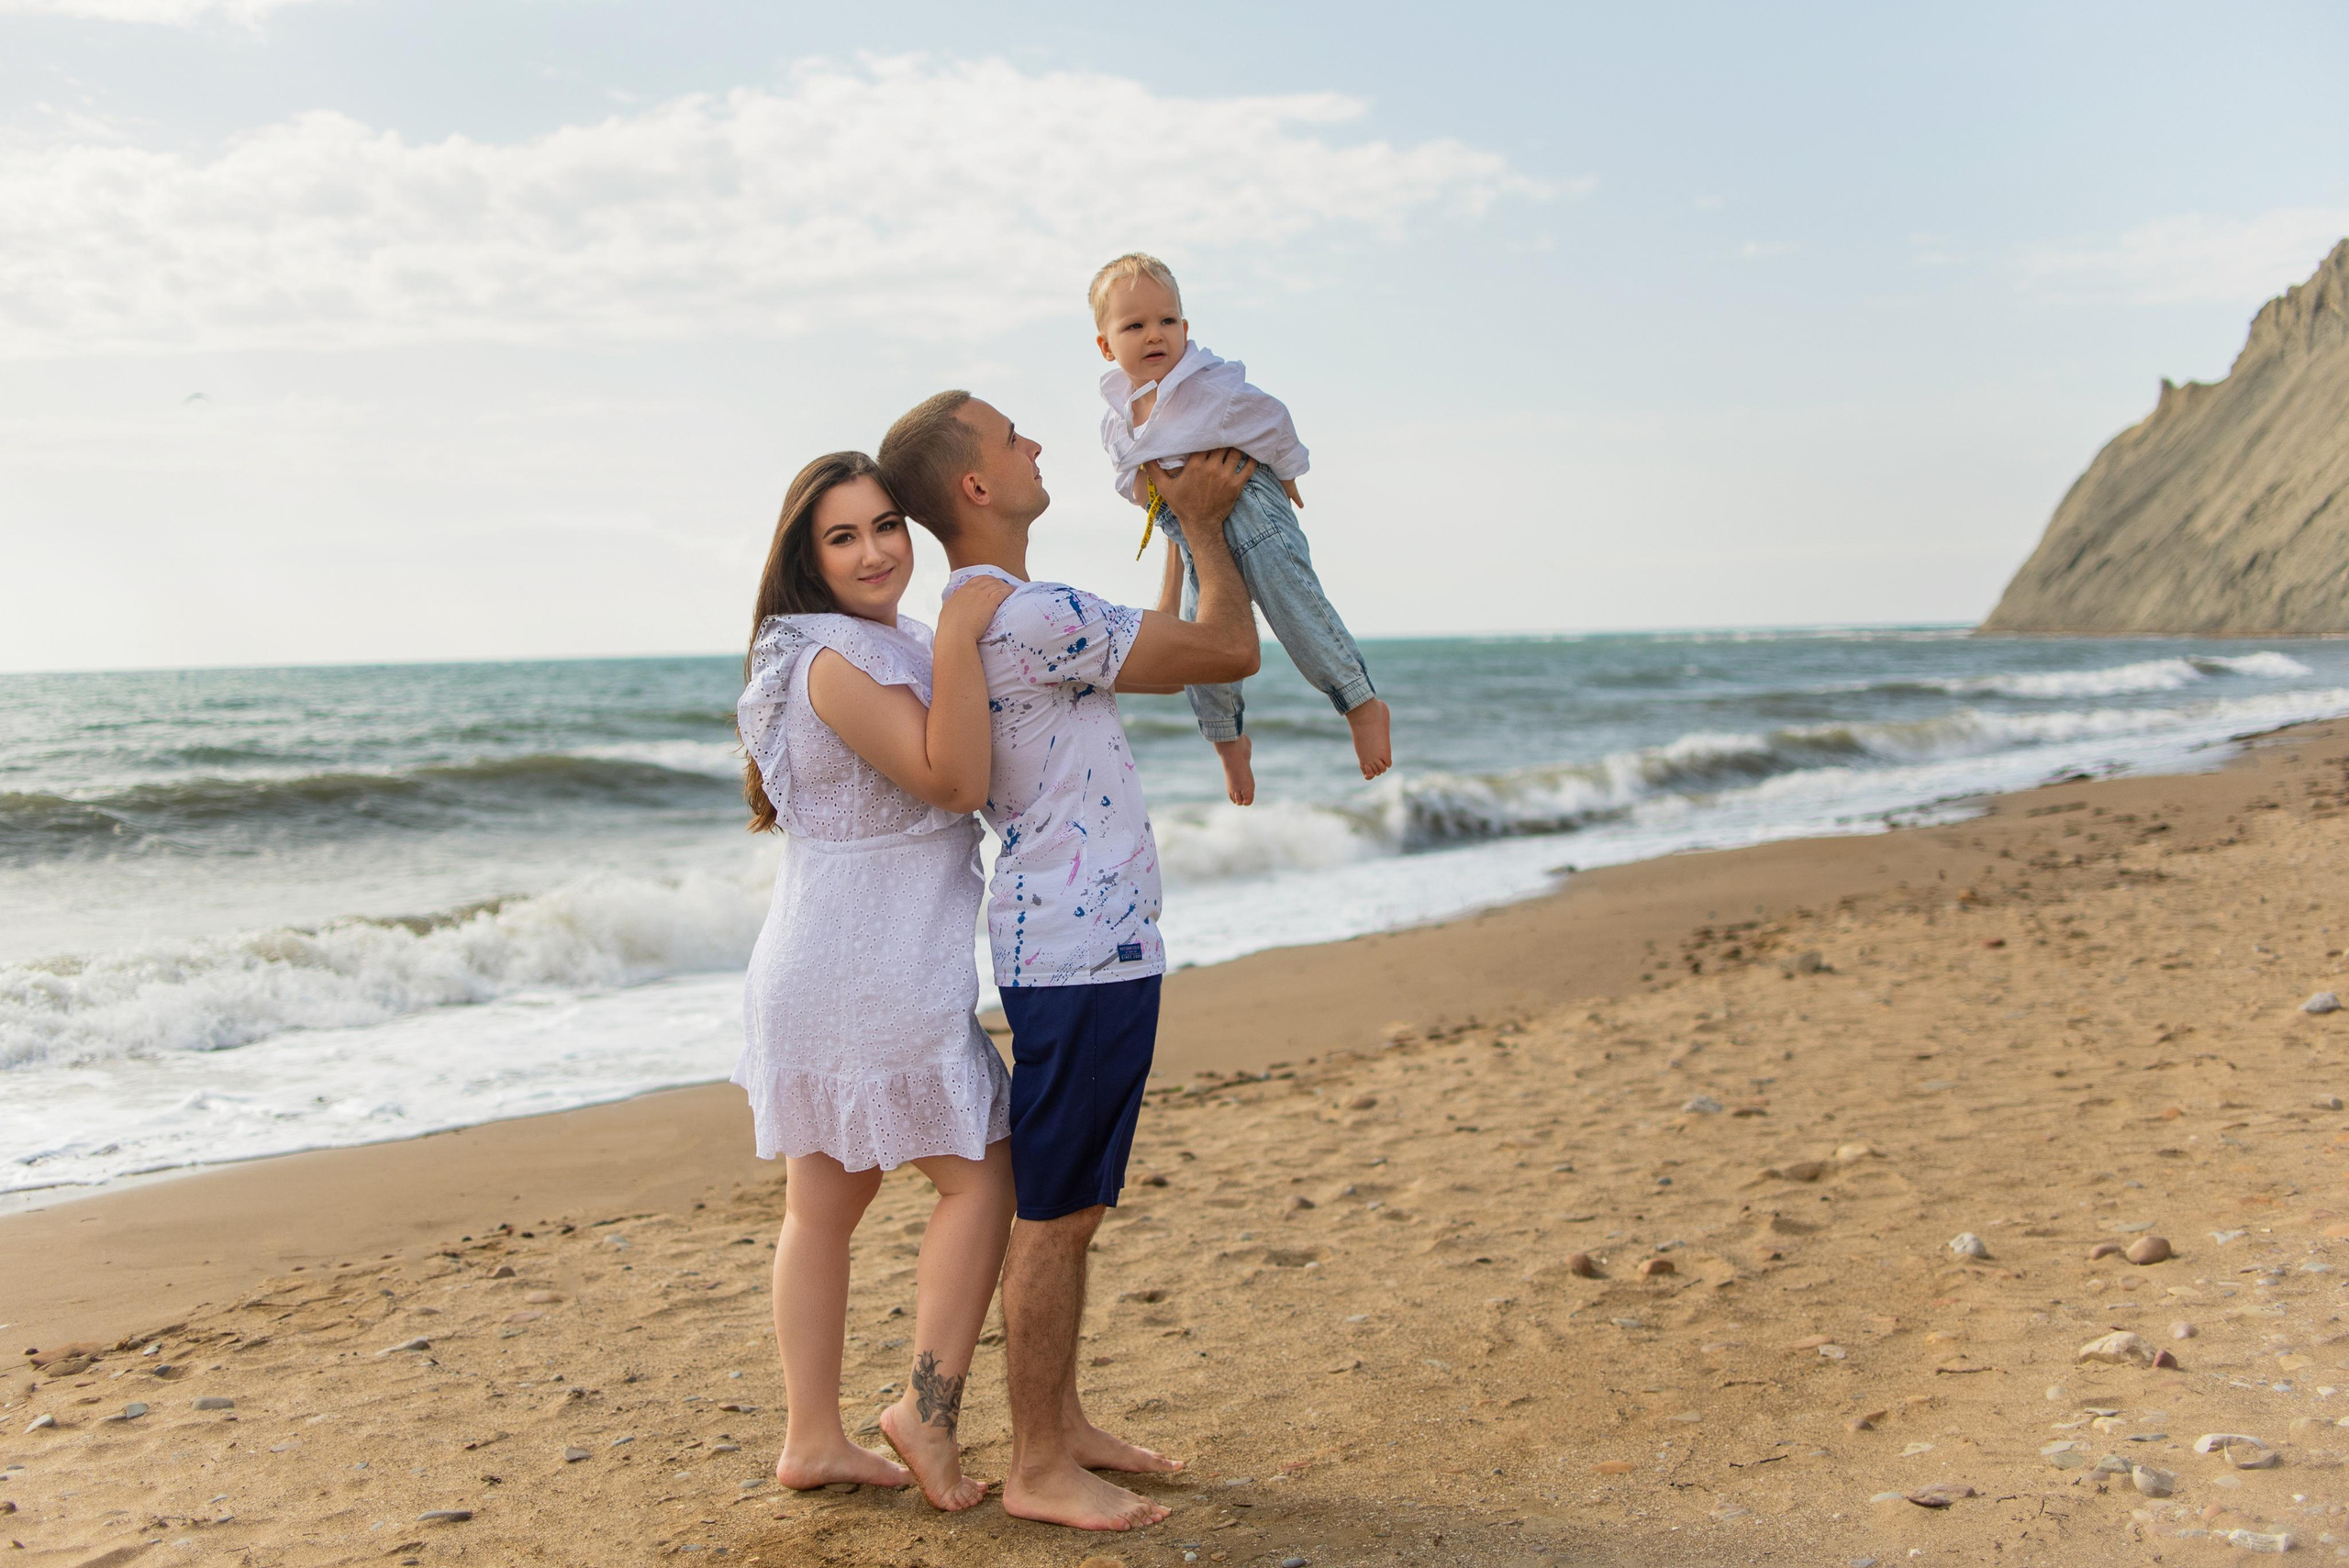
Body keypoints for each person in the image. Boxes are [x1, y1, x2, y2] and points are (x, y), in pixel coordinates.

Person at [877, 392, 1259, 1532]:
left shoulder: (985, 608)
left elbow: (1154, 649)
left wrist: (1180, 536)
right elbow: (1231, 647)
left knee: (1074, 1204)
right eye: (1011, 437)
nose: (1037, 442)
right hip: (1083, 949)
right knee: (1056, 1210)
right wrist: (1197, 525)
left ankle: (1063, 1420)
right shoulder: (1032, 613)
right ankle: (1039, 1459)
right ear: (977, 489)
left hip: (1071, 939)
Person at [729, 450, 1019, 1512]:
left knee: (823, 1207)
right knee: (983, 1177)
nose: (875, 550)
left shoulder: (858, 644)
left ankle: (813, 1439)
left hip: (830, 951)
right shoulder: (836, 657)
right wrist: (957, 625)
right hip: (865, 964)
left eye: (886, 524)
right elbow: (951, 777)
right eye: (842, 536)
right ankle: (919, 1415)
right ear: (807, 560)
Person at [1090, 250, 1393, 806]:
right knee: (1200, 644)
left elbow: (1271, 417)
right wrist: (1163, 515)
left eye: (1167, 321)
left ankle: (1360, 702)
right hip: (1191, 531)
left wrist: (1291, 473)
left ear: (1185, 328)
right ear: (1107, 346)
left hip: (1251, 506)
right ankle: (1229, 742)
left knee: (1291, 601)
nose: (1155, 335)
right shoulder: (1116, 417)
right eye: (1135, 326)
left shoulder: (1208, 385)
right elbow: (1131, 479)